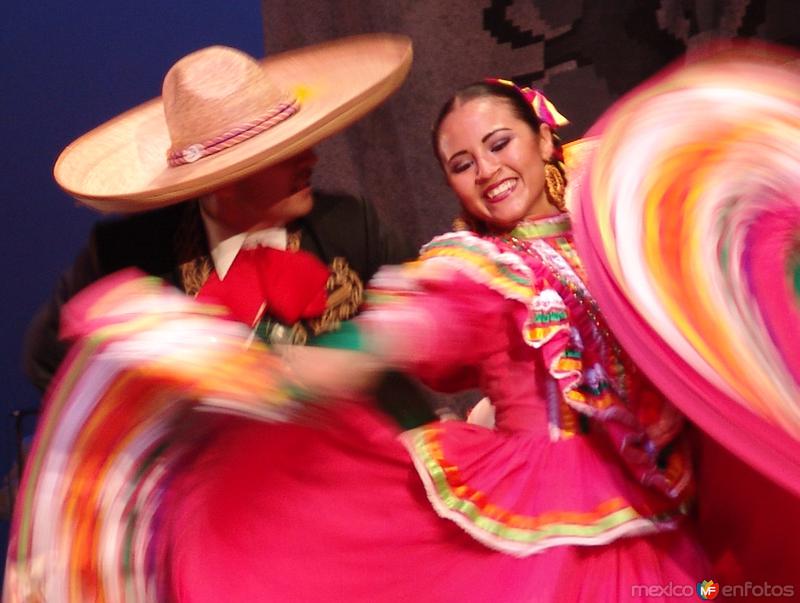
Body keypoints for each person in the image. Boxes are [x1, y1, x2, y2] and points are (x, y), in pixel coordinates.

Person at [6, 79, 710, 602]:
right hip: (528, 503)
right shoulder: (472, 273)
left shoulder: (612, 227)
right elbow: (380, 340)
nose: (487, 171)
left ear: (543, 136)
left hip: (660, 480)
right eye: (461, 164)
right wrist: (218, 375)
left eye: (499, 144)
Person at [23, 35, 418, 394]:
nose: (311, 158)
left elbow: (426, 314)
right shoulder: (124, 256)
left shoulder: (352, 226)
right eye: (284, 153)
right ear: (225, 179)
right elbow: (48, 364)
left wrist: (364, 351)